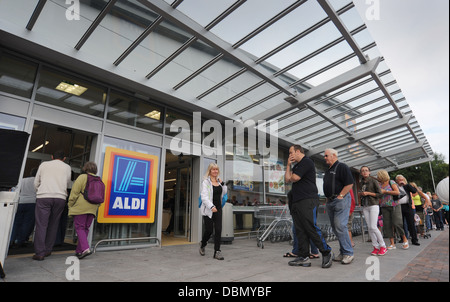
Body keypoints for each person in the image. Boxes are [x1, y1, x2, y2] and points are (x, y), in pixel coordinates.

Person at [285, 145, 333, 268]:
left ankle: (326, 252)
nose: (290, 155)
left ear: (297, 151)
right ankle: (303, 256)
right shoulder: (296, 165)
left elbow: (294, 178)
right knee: (300, 229)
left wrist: (291, 176)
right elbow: (287, 179)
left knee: (310, 227)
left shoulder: (307, 162)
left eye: (291, 152)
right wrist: (288, 165)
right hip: (296, 201)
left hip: (308, 200)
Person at [33, 150, 72, 260]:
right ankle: (48, 250)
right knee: (54, 224)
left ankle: (40, 253)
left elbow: (36, 182)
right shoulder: (67, 167)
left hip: (44, 196)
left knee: (41, 224)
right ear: (64, 158)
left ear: (51, 156)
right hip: (60, 197)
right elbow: (67, 182)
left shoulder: (44, 165)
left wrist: (39, 191)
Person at [323, 148, 354, 264]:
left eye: (326, 155)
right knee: (336, 228)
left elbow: (350, 183)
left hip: (340, 200)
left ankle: (348, 253)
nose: (324, 158)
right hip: (331, 201)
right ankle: (343, 252)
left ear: (333, 155)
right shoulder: (328, 170)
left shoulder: (341, 166)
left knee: (340, 225)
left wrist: (341, 195)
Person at [68, 162, 101, 259]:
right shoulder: (99, 180)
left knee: (79, 227)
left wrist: (70, 204)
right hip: (93, 208)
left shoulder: (82, 177)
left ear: (85, 168)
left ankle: (86, 248)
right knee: (85, 228)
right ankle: (79, 251)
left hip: (81, 207)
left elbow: (74, 192)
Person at [199, 163, 227, 260]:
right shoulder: (206, 182)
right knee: (209, 230)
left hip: (218, 209)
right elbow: (204, 197)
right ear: (210, 171)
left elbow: (224, 193)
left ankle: (217, 252)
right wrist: (211, 206)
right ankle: (203, 244)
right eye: (213, 169)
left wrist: (223, 184)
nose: (215, 171)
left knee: (218, 230)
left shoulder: (219, 182)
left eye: (216, 169)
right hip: (208, 209)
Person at [358, 166, 387, 256]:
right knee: (369, 227)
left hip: (374, 205)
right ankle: (375, 247)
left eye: (366, 170)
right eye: (362, 171)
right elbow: (360, 193)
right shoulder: (361, 182)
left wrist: (368, 193)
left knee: (373, 226)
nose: (364, 172)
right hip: (365, 206)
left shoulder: (373, 181)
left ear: (369, 172)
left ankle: (383, 246)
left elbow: (380, 194)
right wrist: (361, 198)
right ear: (361, 173)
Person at [377, 169, 409, 250]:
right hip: (384, 206)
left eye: (379, 176)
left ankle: (405, 239)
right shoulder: (379, 184)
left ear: (382, 176)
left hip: (394, 205)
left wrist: (385, 191)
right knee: (387, 225)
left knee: (397, 223)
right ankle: (392, 243)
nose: (378, 177)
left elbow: (397, 192)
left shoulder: (391, 182)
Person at [10, 168, 38, 248]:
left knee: (16, 222)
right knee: (27, 223)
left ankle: (12, 239)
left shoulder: (22, 180)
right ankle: (20, 241)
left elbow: (15, 190)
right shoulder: (38, 182)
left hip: (20, 202)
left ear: (30, 173)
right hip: (32, 202)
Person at [395, 175, 420, 246]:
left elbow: (414, 190)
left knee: (411, 223)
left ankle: (414, 240)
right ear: (397, 180)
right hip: (399, 206)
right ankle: (403, 238)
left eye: (402, 179)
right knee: (401, 223)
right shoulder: (395, 186)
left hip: (407, 206)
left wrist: (406, 184)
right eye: (399, 180)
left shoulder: (406, 186)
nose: (401, 181)